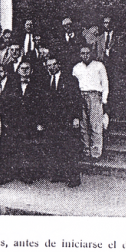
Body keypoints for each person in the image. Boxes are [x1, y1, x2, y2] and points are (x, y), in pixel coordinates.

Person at [42, 57, 83, 187]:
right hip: (52, 121)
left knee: (69, 148)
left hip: (67, 119)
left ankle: (73, 177)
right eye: (49, 65)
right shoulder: (46, 80)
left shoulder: (70, 80)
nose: (51, 67)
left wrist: (76, 117)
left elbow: (77, 99)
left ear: (59, 65)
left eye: (54, 65)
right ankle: (59, 174)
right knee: (55, 147)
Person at [72, 46, 109, 160]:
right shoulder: (77, 67)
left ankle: (96, 152)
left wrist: (104, 100)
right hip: (81, 96)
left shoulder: (99, 66)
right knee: (83, 126)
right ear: (79, 54)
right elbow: (73, 85)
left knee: (95, 125)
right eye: (82, 53)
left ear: (91, 53)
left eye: (87, 53)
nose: (85, 55)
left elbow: (105, 84)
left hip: (95, 96)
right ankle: (86, 151)